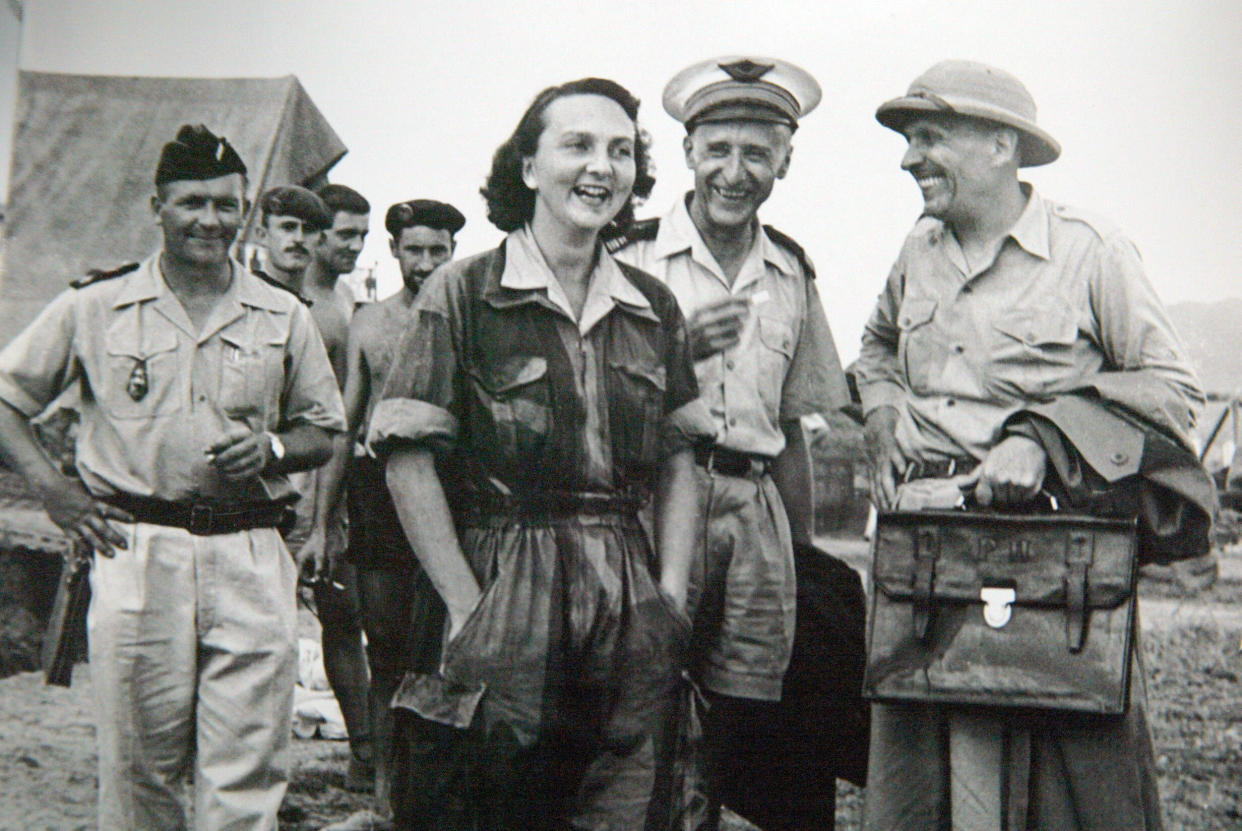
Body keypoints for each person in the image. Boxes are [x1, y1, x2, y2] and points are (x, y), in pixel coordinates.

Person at [855, 60, 1213, 831]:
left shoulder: (1092, 251)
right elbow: (877, 345)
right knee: (918, 795)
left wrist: (1044, 437)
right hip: (921, 565)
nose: (909, 158)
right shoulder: (919, 248)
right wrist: (881, 412)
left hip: (1044, 570)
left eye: (930, 136)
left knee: (1062, 791)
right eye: (910, 139)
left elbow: (1173, 393)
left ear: (1000, 145)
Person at [368, 77, 714, 830]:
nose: (603, 168)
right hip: (501, 574)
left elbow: (683, 456)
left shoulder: (653, 306)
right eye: (579, 145)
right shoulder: (464, 293)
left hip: (627, 586)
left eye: (621, 151)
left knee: (625, 803)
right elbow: (406, 458)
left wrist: (672, 591)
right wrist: (466, 605)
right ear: (527, 167)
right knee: (487, 802)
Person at [0, 124, 345, 830]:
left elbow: (325, 427)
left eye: (226, 205)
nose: (210, 221)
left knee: (247, 774)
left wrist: (275, 450)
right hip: (137, 548)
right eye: (192, 203)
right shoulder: (96, 306)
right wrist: (51, 487)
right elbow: (7, 399)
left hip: (250, 552)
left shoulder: (283, 313)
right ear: (157, 205)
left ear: (244, 210)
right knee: (138, 772)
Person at [612, 56, 851, 830]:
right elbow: (587, 397)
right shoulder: (627, 255)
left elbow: (791, 427)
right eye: (718, 150)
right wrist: (672, 346)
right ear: (687, 153)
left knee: (751, 710)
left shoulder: (792, 272)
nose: (735, 172)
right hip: (649, 500)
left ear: (786, 159)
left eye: (757, 153)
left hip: (754, 509)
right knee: (639, 694)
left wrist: (802, 553)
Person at [318, 198, 465, 831]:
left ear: (453, 252)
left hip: (451, 493)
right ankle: (382, 786)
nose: (426, 262)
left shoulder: (466, 316)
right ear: (395, 252)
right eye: (414, 250)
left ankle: (437, 787)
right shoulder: (369, 322)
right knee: (386, 645)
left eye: (438, 250)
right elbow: (343, 426)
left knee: (450, 646)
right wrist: (324, 521)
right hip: (377, 496)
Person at [272, 182, 376, 792]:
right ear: (314, 235)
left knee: (344, 615)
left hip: (326, 490)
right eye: (344, 236)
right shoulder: (280, 297)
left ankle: (363, 752)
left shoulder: (342, 304)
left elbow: (342, 421)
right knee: (268, 629)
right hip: (269, 487)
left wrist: (326, 514)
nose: (354, 248)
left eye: (362, 237)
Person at [251, 184, 333, 300]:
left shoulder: (318, 306)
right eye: (288, 227)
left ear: (321, 240)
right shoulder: (246, 299)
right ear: (262, 235)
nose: (299, 238)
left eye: (309, 229)